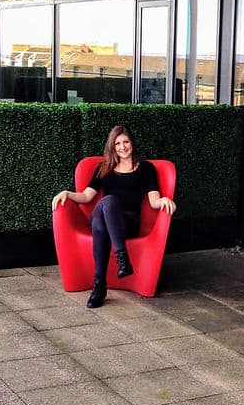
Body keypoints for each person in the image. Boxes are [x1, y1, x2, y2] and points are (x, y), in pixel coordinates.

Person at [52, 125, 176, 308]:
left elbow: (153, 200)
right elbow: (87, 197)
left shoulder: (146, 168)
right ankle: (122, 259)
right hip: (101, 217)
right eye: (117, 143)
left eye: (126, 142)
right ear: (112, 146)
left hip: (127, 223)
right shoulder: (104, 167)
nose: (122, 147)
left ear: (132, 143)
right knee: (108, 202)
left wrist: (165, 200)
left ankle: (99, 286)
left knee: (102, 224)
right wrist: (68, 194)